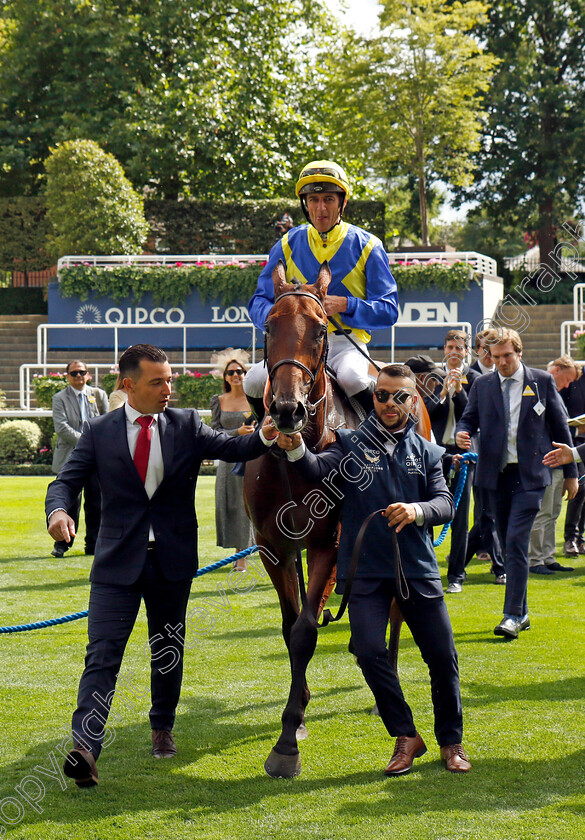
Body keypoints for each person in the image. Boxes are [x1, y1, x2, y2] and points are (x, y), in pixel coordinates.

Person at [45, 344, 278, 788]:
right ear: (128, 385)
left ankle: (162, 727)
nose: (169, 388)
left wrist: (267, 434)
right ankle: (85, 749)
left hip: (172, 562)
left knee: (166, 652)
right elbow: (65, 483)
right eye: (158, 381)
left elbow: (236, 446)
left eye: (170, 379)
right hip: (116, 565)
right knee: (102, 655)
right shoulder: (99, 431)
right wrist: (59, 513)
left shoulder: (187, 423)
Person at [277, 363, 471, 775]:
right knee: (367, 651)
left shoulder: (429, 453)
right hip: (364, 572)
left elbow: (444, 504)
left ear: (412, 400)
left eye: (398, 396)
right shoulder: (349, 443)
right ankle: (405, 735)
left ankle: (451, 742)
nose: (388, 403)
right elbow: (313, 468)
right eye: (381, 394)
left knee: (442, 658)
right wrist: (294, 446)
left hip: (417, 570)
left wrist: (417, 510)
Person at [244, 159, 398, 418]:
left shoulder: (369, 245)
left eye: (328, 199)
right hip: (296, 346)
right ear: (305, 204)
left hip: (345, 345)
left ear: (342, 202)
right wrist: (281, 317)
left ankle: (378, 443)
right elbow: (258, 301)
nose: (320, 208)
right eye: (313, 200)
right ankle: (261, 439)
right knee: (253, 381)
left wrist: (345, 304)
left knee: (352, 379)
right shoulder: (286, 244)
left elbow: (389, 310)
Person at [456, 329, 578, 639]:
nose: (501, 363)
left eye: (507, 356)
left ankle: (510, 615)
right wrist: (462, 432)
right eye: (495, 357)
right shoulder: (482, 385)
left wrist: (572, 473)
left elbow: (559, 427)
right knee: (509, 542)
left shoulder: (542, 381)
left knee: (515, 541)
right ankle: (522, 613)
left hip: (532, 476)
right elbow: (469, 418)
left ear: (519, 353)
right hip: (495, 476)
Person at [411, 331, 480, 594]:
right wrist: (443, 391)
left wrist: (459, 391)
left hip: (464, 453)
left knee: (460, 516)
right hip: (435, 452)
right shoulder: (433, 377)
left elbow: (472, 414)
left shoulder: (475, 379)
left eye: (459, 347)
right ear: (444, 349)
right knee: (428, 510)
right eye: (449, 346)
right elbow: (426, 412)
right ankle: (425, 569)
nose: (454, 351)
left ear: (466, 350)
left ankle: (456, 575)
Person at [51, 359, 109, 557]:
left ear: (88, 374)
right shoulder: (59, 398)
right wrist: (88, 443)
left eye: (82, 372)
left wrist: (94, 446)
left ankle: (93, 546)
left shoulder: (99, 395)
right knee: (68, 503)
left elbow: (108, 421)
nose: (79, 376)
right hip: (70, 458)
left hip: (97, 459)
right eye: (74, 373)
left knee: (96, 502)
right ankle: (61, 545)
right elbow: (62, 428)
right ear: (67, 376)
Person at [528, 356, 578, 574]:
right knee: (542, 512)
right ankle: (535, 559)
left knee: (553, 512)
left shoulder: (552, 392)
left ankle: (548, 557)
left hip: (558, 461)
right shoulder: (535, 390)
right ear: (556, 370)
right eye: (566, 379)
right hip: (544, 461)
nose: (567, 385)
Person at [210, 352, 255, 571]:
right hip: (229, 461)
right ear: (225, 377)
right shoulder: (218, 401)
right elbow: (214, 432)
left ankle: (247, 556)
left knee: (251, 506)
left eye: (239, 371)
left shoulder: (256, 399)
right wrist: (237, 431)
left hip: (253, 458)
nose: (236, 375)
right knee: (234, 506)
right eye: (231, 372)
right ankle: (240, 556)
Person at [561, 364, 585, 556]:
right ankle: (571, 537)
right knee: (580, 488)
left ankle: (580, 538)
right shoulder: (574, 378)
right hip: (575, 441)